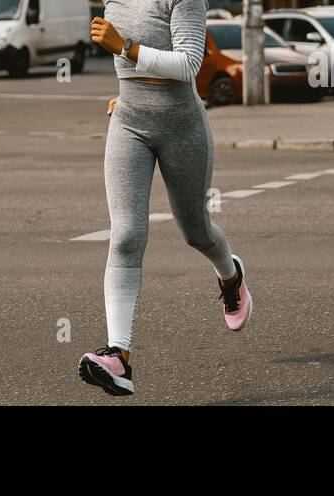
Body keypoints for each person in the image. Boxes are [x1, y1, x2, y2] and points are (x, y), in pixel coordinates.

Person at [77, 0, 253, 396]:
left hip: (182, 127)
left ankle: (231, 276)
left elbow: (189, 63)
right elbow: (132, 69)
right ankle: (118, 356)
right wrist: (128, 94)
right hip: (128, 122)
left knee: (196, 232)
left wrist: (125, 46)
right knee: (125, 236)